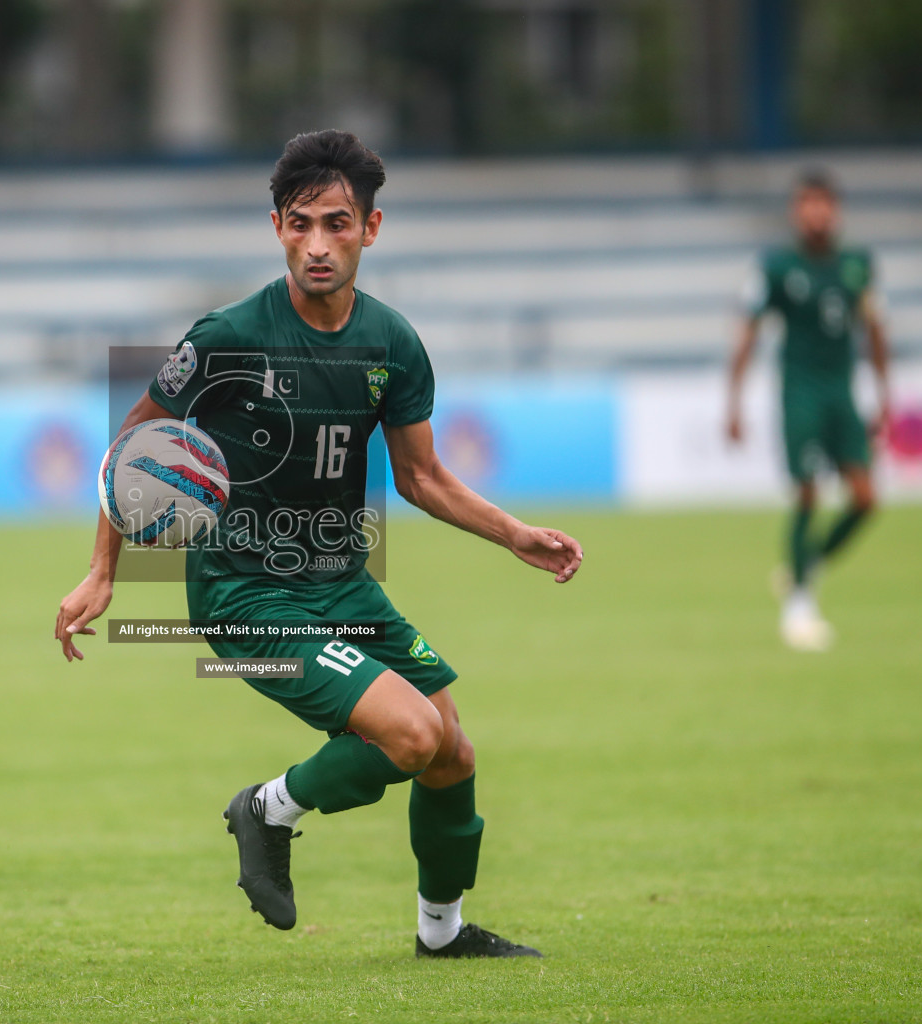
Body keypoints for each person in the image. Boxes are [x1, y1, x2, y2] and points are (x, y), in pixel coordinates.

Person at [55, 130, 583, 958]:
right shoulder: (229, 334)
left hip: (343, 583)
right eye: (300, 225)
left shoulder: (392, 343)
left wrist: (513, 534)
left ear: (371, 229)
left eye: (337, 224)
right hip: (245, 595)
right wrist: (101, 573)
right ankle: (267, 808)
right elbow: (138, 444)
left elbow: (422, 478)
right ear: (276, 228)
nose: (318, 244)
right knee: (411, 737)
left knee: (453, 753)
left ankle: (439, 936)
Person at [728, 169, 889, 651]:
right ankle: (798, 606)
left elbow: (876, 331)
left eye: (823, 203)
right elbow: (747, 334)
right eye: (806, 204)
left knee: (865, 499)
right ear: (796, 212)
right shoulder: (776, 268)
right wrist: (733, 402)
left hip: (842, 392)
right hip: (799, 392)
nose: (815, 213)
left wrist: (884, 393)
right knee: (807, 495)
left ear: (835, 210)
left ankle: (808, 562)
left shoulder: (858, 264)